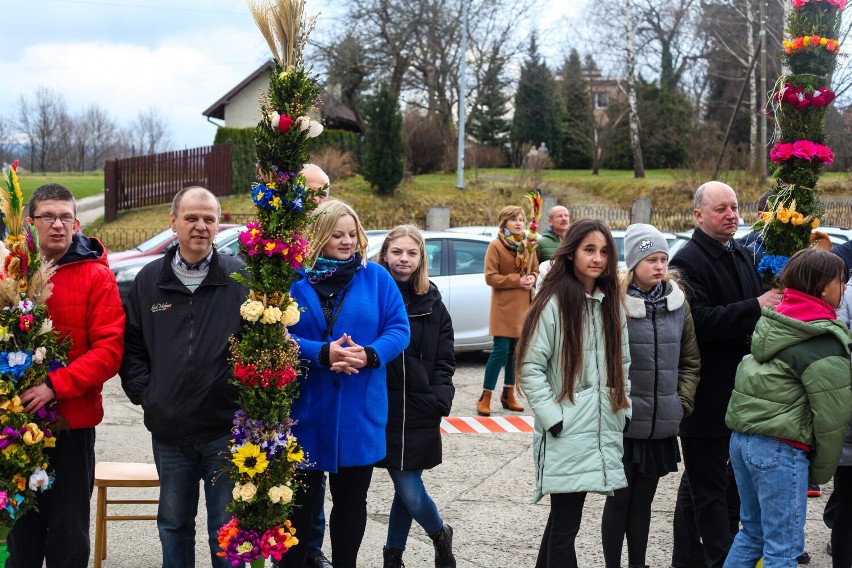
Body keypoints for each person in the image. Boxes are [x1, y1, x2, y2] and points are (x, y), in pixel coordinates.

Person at [277, 199, 409, 568]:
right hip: (305, 410)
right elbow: (276, 333)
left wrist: (371, 354)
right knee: (299, 506)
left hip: (358, 410)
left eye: (352, 234)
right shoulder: (293, 279)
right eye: (337, 235)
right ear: (318, 236)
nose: (347, 241)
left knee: (352, 502)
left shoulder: (376, 278)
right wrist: (321, 354)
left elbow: (399, 329)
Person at [120, 186, 246, 568]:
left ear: (218, 224)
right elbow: (132, 347)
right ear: (172, 223)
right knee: (174, 524)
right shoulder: (149, 280)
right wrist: (149, 394)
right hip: (170, 431)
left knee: (225, 529)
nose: (201, 226)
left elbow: (257, 346)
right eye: (191, 217)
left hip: (224, 428)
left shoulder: (238, 277)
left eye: (209, 218)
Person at [8, 184, 125, 568]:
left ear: (76, 223)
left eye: (65, 217)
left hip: (70, 428)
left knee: (69, 533)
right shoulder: (10, 277)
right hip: (15, 428)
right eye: (48, 217)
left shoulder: (96, 276)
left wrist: (54, 387)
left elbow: (108, 352)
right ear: (30, 223)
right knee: (18, 531)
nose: (58, 225)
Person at [669, 181, 783, 568]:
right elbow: (696, 322)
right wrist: (755, 306)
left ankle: (690, 559)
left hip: (742, 391)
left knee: (718, 486)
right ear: (699, 216)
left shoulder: (741, 253)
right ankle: (720, 559)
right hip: (708, 394)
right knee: (710, 489)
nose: (732, 215)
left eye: (735, 207)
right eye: (721, 209)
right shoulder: (686, 261)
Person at [724, 248, 852, 567]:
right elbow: (832, 417)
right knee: (784, 548)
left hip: (743, 441)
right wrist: (820, 471)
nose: (846, 287)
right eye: (841, 280)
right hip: (781, 448)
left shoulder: (777, 321)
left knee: (752, 534)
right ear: (824, 288)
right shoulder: (822, 338)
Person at [517, 218, 631, 568]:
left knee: (563, 519)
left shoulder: (610, 302)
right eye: (589, 250)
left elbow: (623, 362)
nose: (597, 258)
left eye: (604, 251)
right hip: (566, 428)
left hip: (600, 423)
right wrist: (554, 419)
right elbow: (530, 367)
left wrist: (623, 409)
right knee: (567, 524)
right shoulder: (553, 302)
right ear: (571, 254)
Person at [601, 223, 701, 568]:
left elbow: (690, 360)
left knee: (643, 503)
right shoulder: (614, 303)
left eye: (663, 258)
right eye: (650, 259)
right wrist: (615, 405)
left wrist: (681, 402)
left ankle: (638, 564)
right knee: (619, 502)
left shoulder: (677, 302)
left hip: (661, 424)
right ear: (633, 264)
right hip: (625, 424)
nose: (659, 265)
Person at [376, 225, 457, 568]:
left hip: (421, 408)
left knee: (407, 487)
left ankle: (400, 551)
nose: (403, 259)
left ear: (421, 258)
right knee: (405, 485)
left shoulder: (433, 303)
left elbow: (445, 359)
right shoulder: (374, 294)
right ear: (384, 255)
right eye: (397, 252)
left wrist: (439, 396)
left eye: (411, 253)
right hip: (382, 408)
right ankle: (433, 536)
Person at [301, 163, 334, 568]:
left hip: (329, 378)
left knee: (317, 473)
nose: (319, 200)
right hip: (284, 377)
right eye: (311, 192)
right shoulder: (276, 243)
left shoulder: (336, 241)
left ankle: (312, 548)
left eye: (324, 191)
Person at [477, 205, 538, 417]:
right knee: (500, 350)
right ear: (504, 223)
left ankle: (508, 394)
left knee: (515, 354)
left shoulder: (529, 245)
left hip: (523, 306)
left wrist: (533, 278)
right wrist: (517, 280)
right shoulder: (496, 245)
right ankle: (485, 396)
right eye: (513, 219)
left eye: (521, 219)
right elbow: (490, 277)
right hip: (503, 306)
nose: (519, 222)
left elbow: (536, 269)